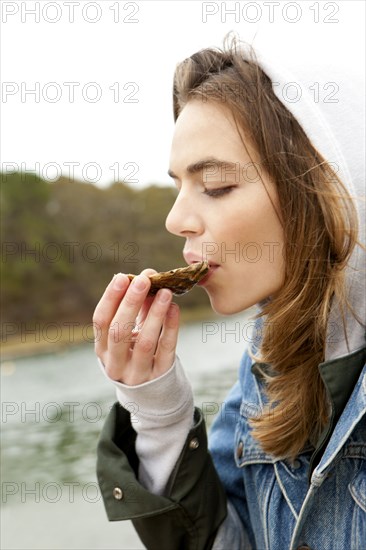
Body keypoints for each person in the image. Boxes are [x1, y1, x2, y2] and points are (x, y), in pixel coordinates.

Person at [93, 33, 365, 549]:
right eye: (178, 186)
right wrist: (158, 413)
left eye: (215, 184)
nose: (175, 219)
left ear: (329, 189)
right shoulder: (266, 366)